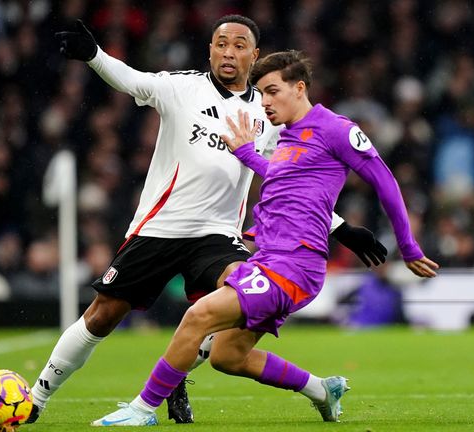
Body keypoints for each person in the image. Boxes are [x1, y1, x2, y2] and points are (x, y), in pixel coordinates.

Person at [30, 16, 388, 424]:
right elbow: (132, 80)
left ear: (254, 57)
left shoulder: (266, 112)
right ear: (210, 50)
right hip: (158, 228)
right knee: (101, 315)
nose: (228, 52)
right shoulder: (182, 87)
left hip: (217, 234)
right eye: (221, 43)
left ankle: (167, 379)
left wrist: (340, 229)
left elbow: (293, 189)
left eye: (239, 45)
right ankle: (37, 399)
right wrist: (93, 55)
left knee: (241, 296)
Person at [91, 50, 439, 427]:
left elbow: (384, 180)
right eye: (260, 93)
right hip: (268, 258)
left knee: (199, 314)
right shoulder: (288, 137)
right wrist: (245, 153)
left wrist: (408, 247)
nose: (264, 102)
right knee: (228, 357)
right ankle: (323, 390)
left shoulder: (337, 128)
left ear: (299, 87)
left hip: (295, 263)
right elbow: (281, 178)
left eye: (272, 91)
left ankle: (142, 410)